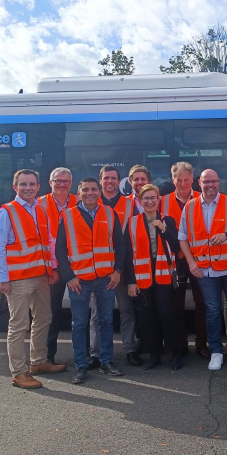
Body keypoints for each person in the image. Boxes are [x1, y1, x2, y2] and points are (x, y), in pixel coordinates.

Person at [0, 169, 64, 389]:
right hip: (18, 279)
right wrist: (2, 278)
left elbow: (48, 242)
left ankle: (39, 361)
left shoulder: (40, 211)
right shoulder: (6, 212)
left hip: (41, 275)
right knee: (19, 325)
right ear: (15, 187)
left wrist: (52, 267)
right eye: (23, 184)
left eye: (32, 184)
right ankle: (19, 373)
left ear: (38, 187)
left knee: (44, 318)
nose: (28, 188)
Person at [179, 169, 227, 371]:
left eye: (214, 181)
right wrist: (191, 263)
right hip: (205, 271)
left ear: (219, 182)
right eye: (206, 182)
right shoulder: (190, 206)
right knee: (212, 312)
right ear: (198, 183)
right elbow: (182, 237)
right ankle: (216, 352)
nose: (210, 185)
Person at [56, 177, 126, 385]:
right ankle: (81, 365)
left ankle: (106, 361)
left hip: (106, 278)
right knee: (79, 324)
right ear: (78, 193)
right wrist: (69, 277)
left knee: (106, 321)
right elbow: (60, 250)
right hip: (79, 280)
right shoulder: (67, 216)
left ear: (99, 192)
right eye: (85, 189)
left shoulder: (110, 213)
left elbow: (120, 244)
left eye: (94, 189)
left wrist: (117, 271)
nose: (90, 193)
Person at [125, 184, 182, 370]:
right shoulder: (132, 222)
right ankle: (155, 354)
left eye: (153, 198)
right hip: (142, 277)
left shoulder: (168, 220)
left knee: (166, 315)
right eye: (146, 199)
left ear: (158, 200)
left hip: (163, 276)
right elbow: (127, 254)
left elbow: (177, 247)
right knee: (148, 317)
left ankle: (175, 353)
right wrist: (131, 281)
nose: (149, 201)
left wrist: (164, 229)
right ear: (140, 201)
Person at [87, 165, 139, 368]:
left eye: (113, 178)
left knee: (127, 310)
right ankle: (96, 353)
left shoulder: (129, 204)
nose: (110, 182)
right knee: (97, 313)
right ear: (100, 181)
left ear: (119, 181)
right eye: (106, 178)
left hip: (122, 266)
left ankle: (130, 349)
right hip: (98, 269)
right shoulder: (90, 203)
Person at [161, 162, 208, 360]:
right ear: (173, 180)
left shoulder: (201, 198)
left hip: (198, 259)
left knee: (202, 303)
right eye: (178, 180)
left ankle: (201, 344)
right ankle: (180, 344)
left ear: (193, 180)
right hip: (174, 262)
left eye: (186, 180)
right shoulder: (162, 201)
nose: (182, 183)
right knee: (176, 304)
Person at [39, 167, 78, 365]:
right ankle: (47, 356)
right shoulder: (39, 203)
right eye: (58, 180)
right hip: (52, 267)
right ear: (50, 182)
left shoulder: (79, 200)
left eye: (66, 181)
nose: (62, 184)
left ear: (71, 184)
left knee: (81, 313)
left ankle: (84, 355)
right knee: (51, 312)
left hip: (76, 266)